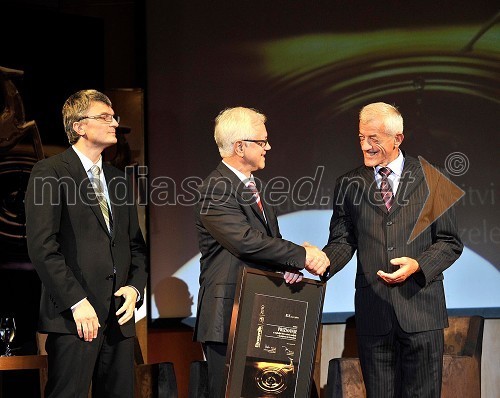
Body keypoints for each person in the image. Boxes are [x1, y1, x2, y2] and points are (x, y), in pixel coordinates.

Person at [322, 102, 463, 397]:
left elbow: (450, 242)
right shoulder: (348, 183)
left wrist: (419, 264)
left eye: (374, 138)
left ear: (397, 138)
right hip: (374, 313)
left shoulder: (432, 178)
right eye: (361, 137)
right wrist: (320, 263)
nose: (366, 146)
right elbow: (343, 241)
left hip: (422, 311)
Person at [194, 106, 329, 397]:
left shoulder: (257, 187)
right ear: (240, 146)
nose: (268, 146)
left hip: (259, 313)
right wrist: (302, 255)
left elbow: (267, 245)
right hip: (228, 315)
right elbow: (244, 241)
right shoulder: (215, 188)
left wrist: (287, 268)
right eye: (261, 141)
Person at [25, 89, 148, 398]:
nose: (114, 124)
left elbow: (136, 247)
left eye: (114, 117)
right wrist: (77, 302)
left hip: (118, 318)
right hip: (74, 318)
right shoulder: (50, 172)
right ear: (79, 126)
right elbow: (43, 247)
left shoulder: (118, 179)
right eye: (104, 117)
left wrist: (134, 289)